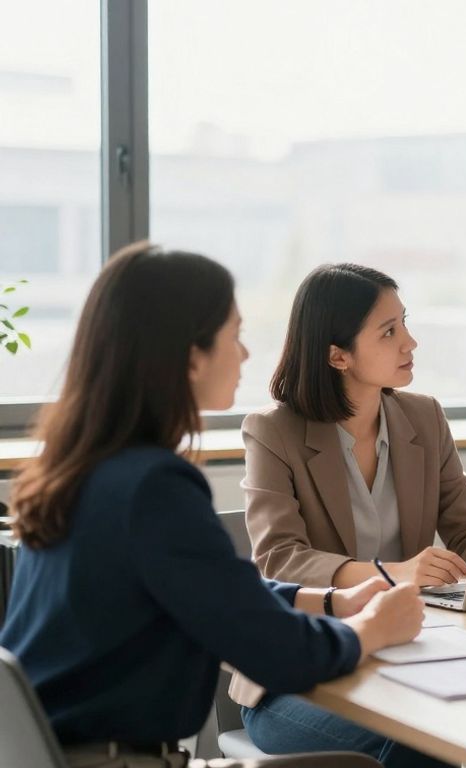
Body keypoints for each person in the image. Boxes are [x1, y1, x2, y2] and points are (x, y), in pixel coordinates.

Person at [0, 242, 424, 768]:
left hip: (57, 755)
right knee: (412, 749)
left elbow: (218, 590)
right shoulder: (154, 486)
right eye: (234, 335)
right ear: (190, 357)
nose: (244, 354)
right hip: (114, 762)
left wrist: (334, 602)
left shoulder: (85, 468)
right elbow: (276, 651)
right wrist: (373, 629)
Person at [235, 264, 466, 763]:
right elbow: (280, 560)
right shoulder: (273, 431)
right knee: (426, 739)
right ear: (337, 355)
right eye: (389, 331)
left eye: (404, 323)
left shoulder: (424, 416)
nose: (410, 342)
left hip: (408, 654)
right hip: (298, 678)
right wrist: (392, 574)